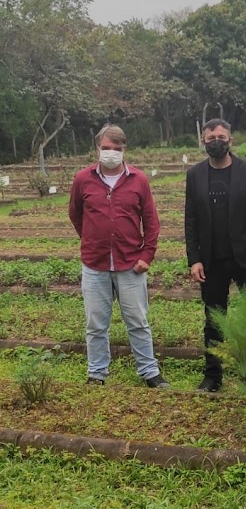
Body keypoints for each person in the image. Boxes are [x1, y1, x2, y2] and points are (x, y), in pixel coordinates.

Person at [69, 124, 168, 388]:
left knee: (137, 321)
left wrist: (147, 254)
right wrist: (91, 239)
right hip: (95, 265)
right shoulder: (83, 179)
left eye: (116, 149)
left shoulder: (138, 180)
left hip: (130, 264)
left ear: (124, 150)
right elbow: (76, 215)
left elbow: (151, 221)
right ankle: (97, 373)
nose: (111, 153)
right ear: (97, 149)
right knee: (95, 324)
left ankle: (149, 372)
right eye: (106, 148)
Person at [185, 119, 246, 392]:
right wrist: (194, 258)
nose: (216, 141)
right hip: (211, 261)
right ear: (203, 141)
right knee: (214, 319)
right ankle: (212, 376)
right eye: (211, 137)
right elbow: (191, 221)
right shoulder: (195, 175)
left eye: (221, 136)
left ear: (231, 140)